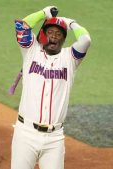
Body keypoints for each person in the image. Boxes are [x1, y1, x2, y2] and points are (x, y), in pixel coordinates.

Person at [11, 6, 91, 169]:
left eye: (58, 34)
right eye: (50, 33)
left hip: (54, 138)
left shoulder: (70, 59)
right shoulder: (31, 52)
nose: (54, 37)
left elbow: (86, 40)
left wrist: (71, 23)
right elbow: (22, 26)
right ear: (43, 35)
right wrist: (43, 14)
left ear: (63, 39)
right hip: (25, 134)